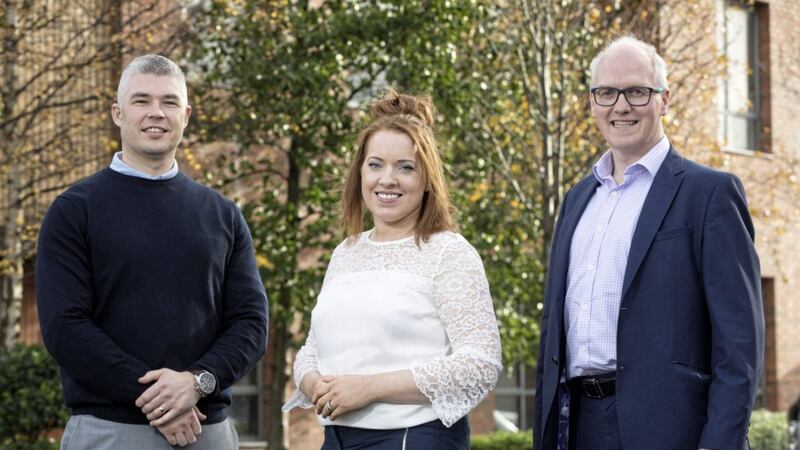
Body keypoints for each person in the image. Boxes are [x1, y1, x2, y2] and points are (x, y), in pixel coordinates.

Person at [533, 36, 764, 450]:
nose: (620, 106)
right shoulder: (576, 200)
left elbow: (739, 344)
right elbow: (554, 329)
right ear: (592, 102)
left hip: (673, 429)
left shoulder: (708, 194)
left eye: (637, 91)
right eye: (606, 93)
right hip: (578, 424)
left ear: (664, 100)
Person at [36, 54, 269, 449]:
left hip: (207, 431)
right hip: (112, 431)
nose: (156, 113)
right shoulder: (75, 210)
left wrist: (196, 383)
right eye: (141, 101)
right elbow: (65, 327)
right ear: (117, 113)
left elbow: (251, 323)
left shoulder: (223, 215)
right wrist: (160, 399)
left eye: (169, 102)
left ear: (187, 114)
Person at [282, 89, 502, 449]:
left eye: (405, 167)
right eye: (375, 164)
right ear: (360, 174)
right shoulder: (346, 253)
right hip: (335, 438)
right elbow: (313, 347)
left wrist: (370, 388)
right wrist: (312, 383)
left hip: (412, 438)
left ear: (427, 179)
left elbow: (480, 364)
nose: (387, 179)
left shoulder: (449, 253)